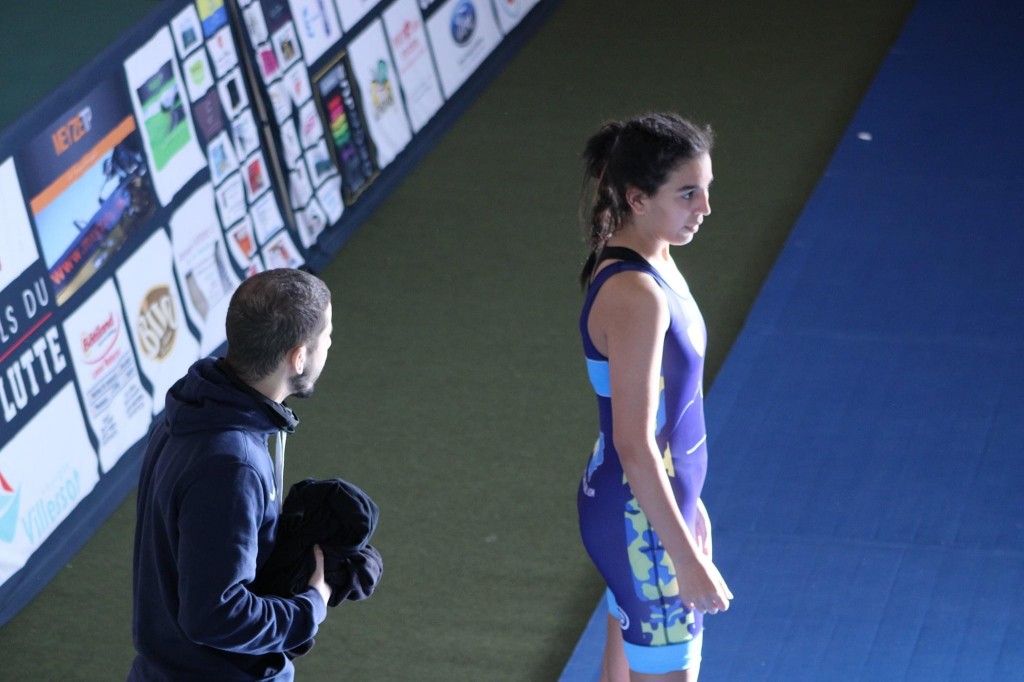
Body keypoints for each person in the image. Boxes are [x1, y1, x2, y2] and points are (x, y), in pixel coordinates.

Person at [576, 113, 733, 681]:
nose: (705, 207)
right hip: (641, 523)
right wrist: (685, 559)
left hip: (644, 512)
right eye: (688, 193)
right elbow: (635, 443)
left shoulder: (656, 258)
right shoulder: (636, 293)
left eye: (706, 189)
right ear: (637, 199)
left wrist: (690, 503)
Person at [128, 268, 334, 681]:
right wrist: (311, 605)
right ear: (298, 357)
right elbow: (215, 615)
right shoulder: (233, 465)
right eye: (327, 335)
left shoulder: (192, 408)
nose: (329, 343)